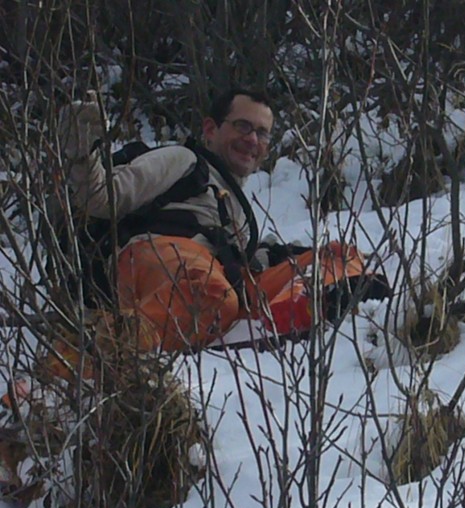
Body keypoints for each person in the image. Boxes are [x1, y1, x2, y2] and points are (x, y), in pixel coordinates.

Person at [56, 87, 377, 355]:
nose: (253, 139)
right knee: (210, 292)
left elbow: (249, 262)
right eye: (242, 126)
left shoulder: (238, 211)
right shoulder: (182, 161)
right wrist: (81, 154)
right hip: (158, 257)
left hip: (222, 277)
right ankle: (71, 361)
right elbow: (102, 198)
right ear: (210, 129)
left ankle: (306, 308)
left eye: (262, 133)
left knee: (339, 255)